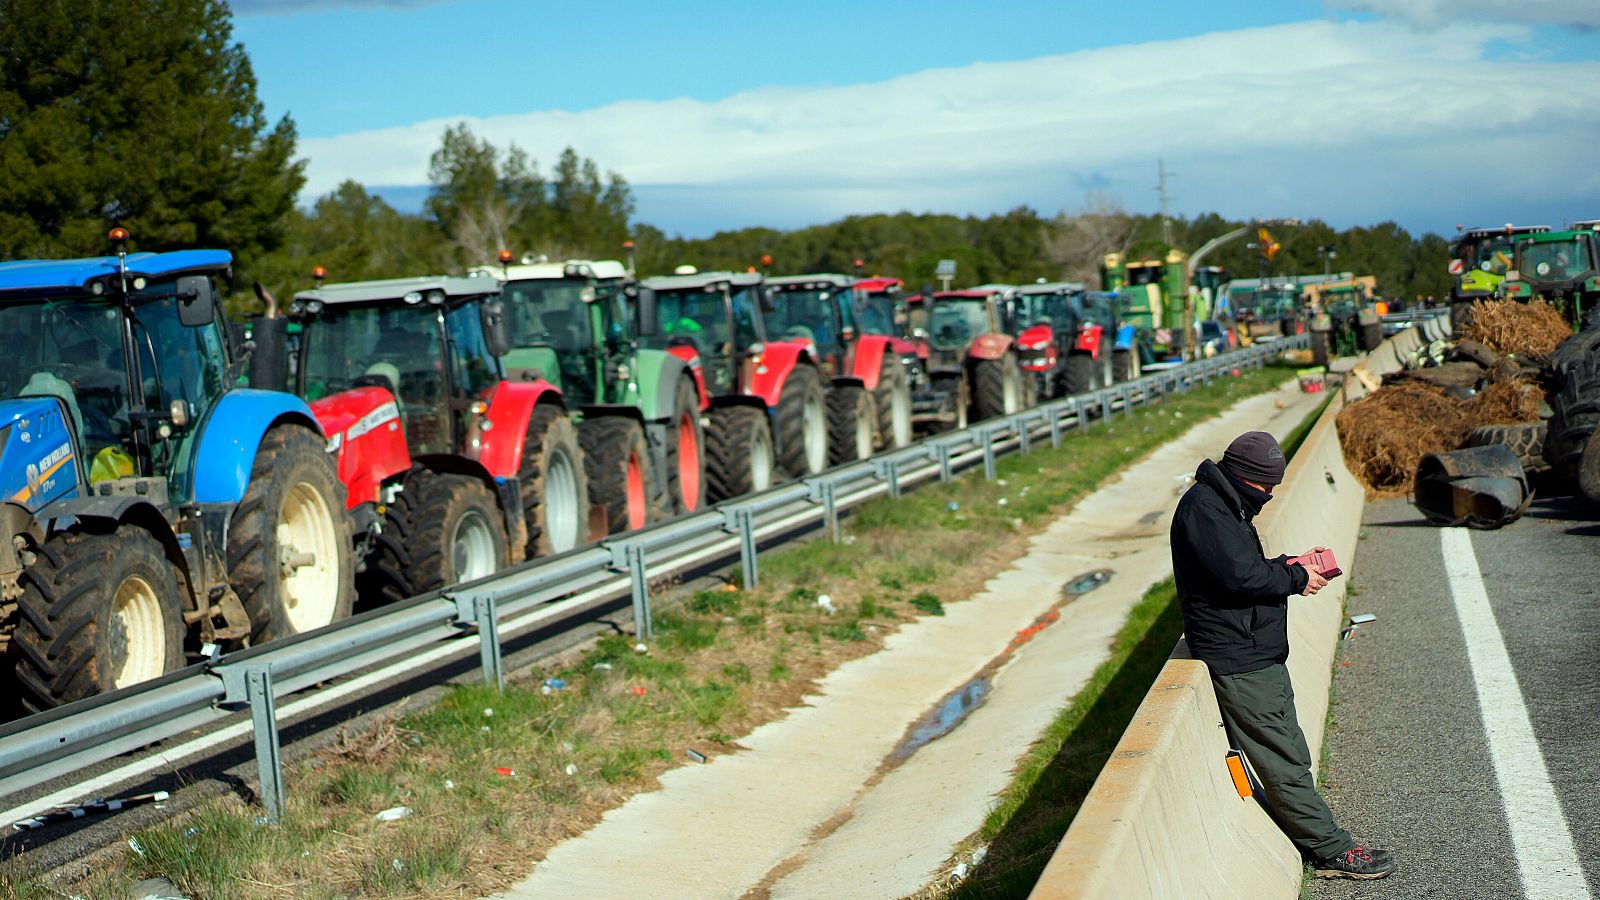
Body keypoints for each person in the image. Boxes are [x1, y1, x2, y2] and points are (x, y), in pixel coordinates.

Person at [1169, 431, 1395, 880]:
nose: (1271, 495)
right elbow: (1240, 578)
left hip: (1256, 651)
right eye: (1267, 486)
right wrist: (1294, 578)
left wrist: (1291, 564)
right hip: (1240, 658)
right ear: (1246, 477)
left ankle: (1318, 837)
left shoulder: (1224, 501)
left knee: (1290, 752)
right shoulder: (1205, 510)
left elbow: (1240, 569)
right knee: (1283, 762)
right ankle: (1333, 851)